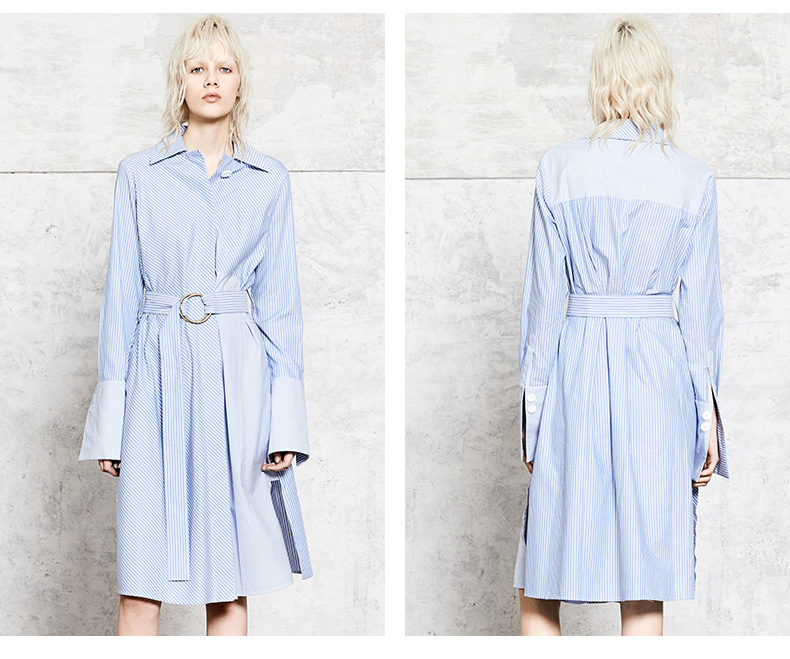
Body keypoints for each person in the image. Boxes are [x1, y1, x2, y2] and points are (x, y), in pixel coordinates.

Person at [78, 15, 312, 635]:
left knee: (229, 586)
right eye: (197, 67)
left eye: (224, 68)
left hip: (238, 382)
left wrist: (285, 421)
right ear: (179, 80)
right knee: (141, 580)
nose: (211, 79)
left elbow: (280, 307)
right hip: (155, 375)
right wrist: (111, 420)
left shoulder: (269, 180)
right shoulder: (140, 173)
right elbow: (121, 297)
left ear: (241, 83)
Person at [514, 16, 729, 636]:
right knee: (644, 582)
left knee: (542, 578)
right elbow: (702, 316)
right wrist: (707, 422)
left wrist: (533, 421)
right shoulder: (692, 178)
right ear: (661, 81)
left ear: (600, 81)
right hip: (660, 377)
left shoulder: (559, 168)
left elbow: (542, 307)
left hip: (575, 371)